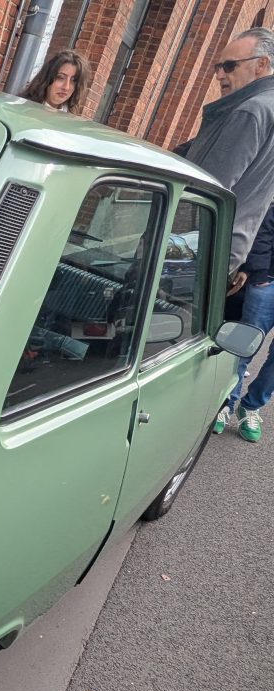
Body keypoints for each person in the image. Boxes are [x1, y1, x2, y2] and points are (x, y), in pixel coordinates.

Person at [183, 28, 274, 293]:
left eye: (230, 66)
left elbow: (207, 189)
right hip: (223, 251)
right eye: (218, 67)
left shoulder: (252, 110)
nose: (220, 74)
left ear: (261, 65)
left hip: (196, 250)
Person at [214, 202, 274, 441]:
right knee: (243, 343)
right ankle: (225, 402)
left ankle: (251, 407)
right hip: (267, 282)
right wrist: (258, 276)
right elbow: (263, 230)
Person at [21, 50, 92, 114]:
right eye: (61, 78)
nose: (66, 87)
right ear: (46, 78)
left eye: (74, 80)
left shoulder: (69, 120)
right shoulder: (21, 109)